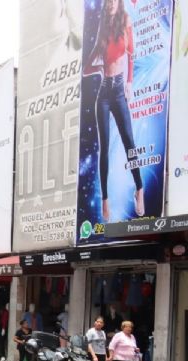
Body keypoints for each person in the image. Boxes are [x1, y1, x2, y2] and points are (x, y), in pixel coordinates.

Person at [84, 0, 144, 221]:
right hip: (104, 94)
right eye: (107, 1)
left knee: (129, 141)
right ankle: (105, 200)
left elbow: (131, 53)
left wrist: (129, 82)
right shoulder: (103, 27)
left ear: (119, 3)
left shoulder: (125, 21)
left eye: (114, 0)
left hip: (119, 91)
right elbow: (86, 67)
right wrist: (99, 67)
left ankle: (139, 188)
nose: (110, 4)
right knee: (104, 148)